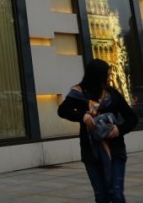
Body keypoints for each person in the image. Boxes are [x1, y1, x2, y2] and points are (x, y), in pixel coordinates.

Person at [58, 59, 138, 203]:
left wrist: (119, 129)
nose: (109, 78)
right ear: (97, 76)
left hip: (115, 150)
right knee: (101, 196)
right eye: (107, 75)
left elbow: (132, 118)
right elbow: (63, 110)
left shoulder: (112, 94)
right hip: (91, 152)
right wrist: (82, 116)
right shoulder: (79, 94)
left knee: (116, 194)